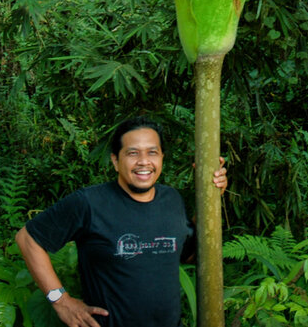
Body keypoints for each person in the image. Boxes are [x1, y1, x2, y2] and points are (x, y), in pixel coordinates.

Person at [15, 116, 227, 327]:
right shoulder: (90, 203)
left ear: (162, 157)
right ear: (116, 160)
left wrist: (210, 197)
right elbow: (27, 239)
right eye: (132, 153)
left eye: (152, 152)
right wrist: (61, 301)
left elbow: (188, 254)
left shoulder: (172, 200)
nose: (144, 161)